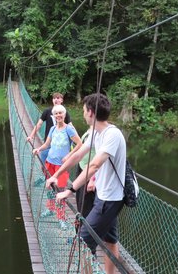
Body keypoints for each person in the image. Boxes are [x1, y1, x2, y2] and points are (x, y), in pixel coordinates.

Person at [46, 93, 126, 274]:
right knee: (111, 240)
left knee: (82, 242)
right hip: (104, 196)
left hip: (109, 200)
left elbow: (95, 165)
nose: (82, 114)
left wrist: (70, 190)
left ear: (90, 112)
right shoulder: (96, 133)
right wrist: (56, 175)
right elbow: (77, 155)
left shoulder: (112, 135)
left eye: (83, 110)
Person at [33, 104, 82, 230]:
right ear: (53, 116)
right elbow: (47, 144)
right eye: (56, 113)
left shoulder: (69, 129)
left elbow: (79, 143)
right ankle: (50, 209)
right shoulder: (53, 129)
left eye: (61, 113)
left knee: (60, 191)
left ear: (64, 115)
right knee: (50, 188)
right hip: (49, 162)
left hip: (62, 167)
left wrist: (69, 155)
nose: (59, 115)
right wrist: (38, 149)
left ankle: (61, 218)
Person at [26, 92, 71, 165]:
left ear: (62, 100)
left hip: (60, 143)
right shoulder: (47, 111)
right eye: (54, 98)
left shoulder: (65, 113)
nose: (55, 100)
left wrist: (73, 138)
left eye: (58, 98)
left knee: (56, 163)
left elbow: (70, 126)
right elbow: (39, 124)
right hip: (48, 142)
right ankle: (45, 174)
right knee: (44, 160)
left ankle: (52, 175)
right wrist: (31, 136)